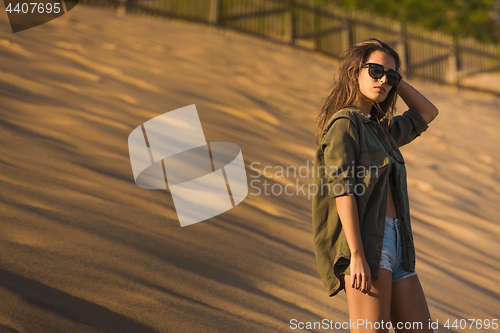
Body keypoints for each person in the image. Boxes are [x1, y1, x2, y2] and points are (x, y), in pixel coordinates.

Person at [312, 38, 439, 332]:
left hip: (399, 246)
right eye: (374, 71)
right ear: (354, 72)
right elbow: (342, 190)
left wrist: (398, 82)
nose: (382, 80)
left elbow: (428, 113)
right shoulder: (345, 124)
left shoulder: (382, 132)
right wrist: (356, 254)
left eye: (390, 76)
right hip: (369, 245)